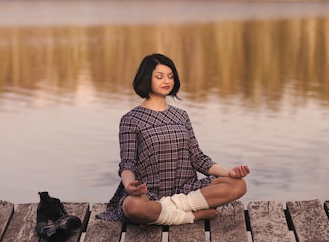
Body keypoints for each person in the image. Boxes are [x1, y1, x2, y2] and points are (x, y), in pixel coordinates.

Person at [97, 53, 249, 225]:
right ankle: (191, 216)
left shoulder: (181, 115)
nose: (166, 81)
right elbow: (127, 163)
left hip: (186, 191)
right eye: (159, 77)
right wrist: (129, 185)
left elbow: (198, 158)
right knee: (133, 207)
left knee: (238, 185)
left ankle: (171, 208)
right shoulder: (130, 119)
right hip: (150, 193)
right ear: (146, 79)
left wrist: (230, 172)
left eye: (170, 76)